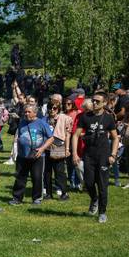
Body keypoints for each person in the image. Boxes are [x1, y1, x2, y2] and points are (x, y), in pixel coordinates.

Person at [72, 91, 119, 223]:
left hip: (103, 156)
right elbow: (75, 135)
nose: (94, 103)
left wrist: (113, 155)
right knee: (88, 182)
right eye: (93, 100)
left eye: (97, 101)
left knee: (103, 186)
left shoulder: (109, 118)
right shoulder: (85, 117)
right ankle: (94, 199)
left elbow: (115, 138)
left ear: (104, 103)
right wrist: (75, 153)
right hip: (88, 155)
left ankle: (102, 212)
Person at [8, 105, 53, 205]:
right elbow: (19, 136)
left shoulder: (41, 123)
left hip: (37, 156)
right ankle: (17, 198)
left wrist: (42, 149)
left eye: (29, 112)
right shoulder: (22, 122)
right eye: (25, 112)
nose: (26, 114)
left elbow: (51, 138)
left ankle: (37, 198)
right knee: (20, 177)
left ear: (35, 113)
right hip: (22, 156)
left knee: (37, 177)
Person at [44, 102, 72, 201]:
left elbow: (68, 135)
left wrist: (67, 148)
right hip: (46, 147)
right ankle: (48, 193)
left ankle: (64, 193)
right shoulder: (45, 119)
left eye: (54, 108)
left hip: (58, 146)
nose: (52, 109)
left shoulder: (65, 118)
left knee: (59, 171)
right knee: (47, 171)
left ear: (59, 109)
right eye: (50, 107)